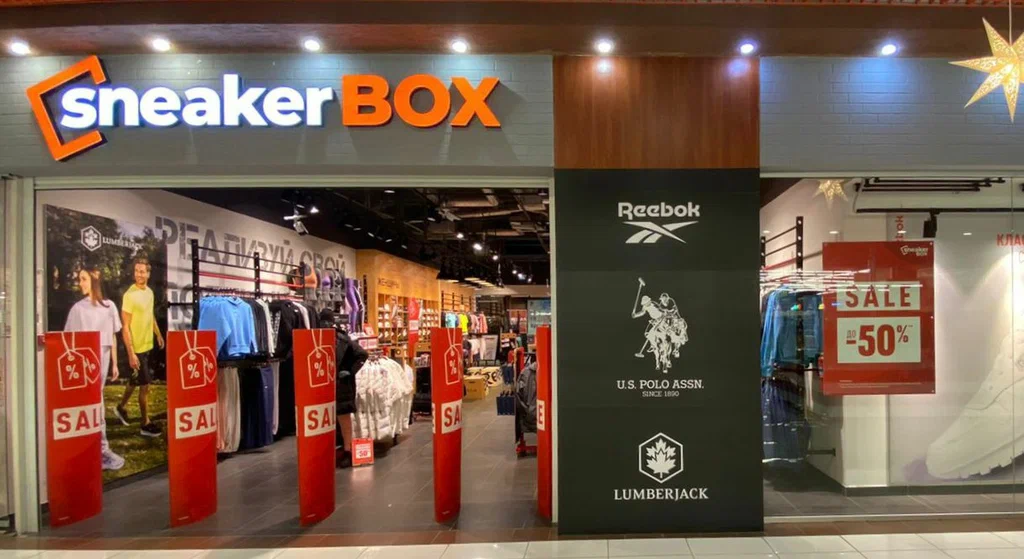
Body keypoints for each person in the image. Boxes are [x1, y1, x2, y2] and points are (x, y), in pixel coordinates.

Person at [64, 265, 125, 470]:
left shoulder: (109, 307)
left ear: (94, 281)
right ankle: (96, 449)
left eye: (83, 279)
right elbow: (69, 340)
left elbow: (113, 337)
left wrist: (115, 363)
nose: (79, 283)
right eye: (79, 279)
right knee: (90, 403)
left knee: (97, 400)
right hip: (83, 363)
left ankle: (101, 450)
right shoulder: (77, 309)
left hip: (102, 360)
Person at [115, 257, 164, 437]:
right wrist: (131, 353)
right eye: (136, 271)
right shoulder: (129, 295)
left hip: (147, 345)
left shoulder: (149, 293)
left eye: (142, 271)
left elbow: (150, 316)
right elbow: (125, 326)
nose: (139, 274)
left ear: (148, 274)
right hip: (136, 349)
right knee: (145, 385)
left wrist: (158, 334)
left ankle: (120, 407)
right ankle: (145, 423)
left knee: (135, 380)